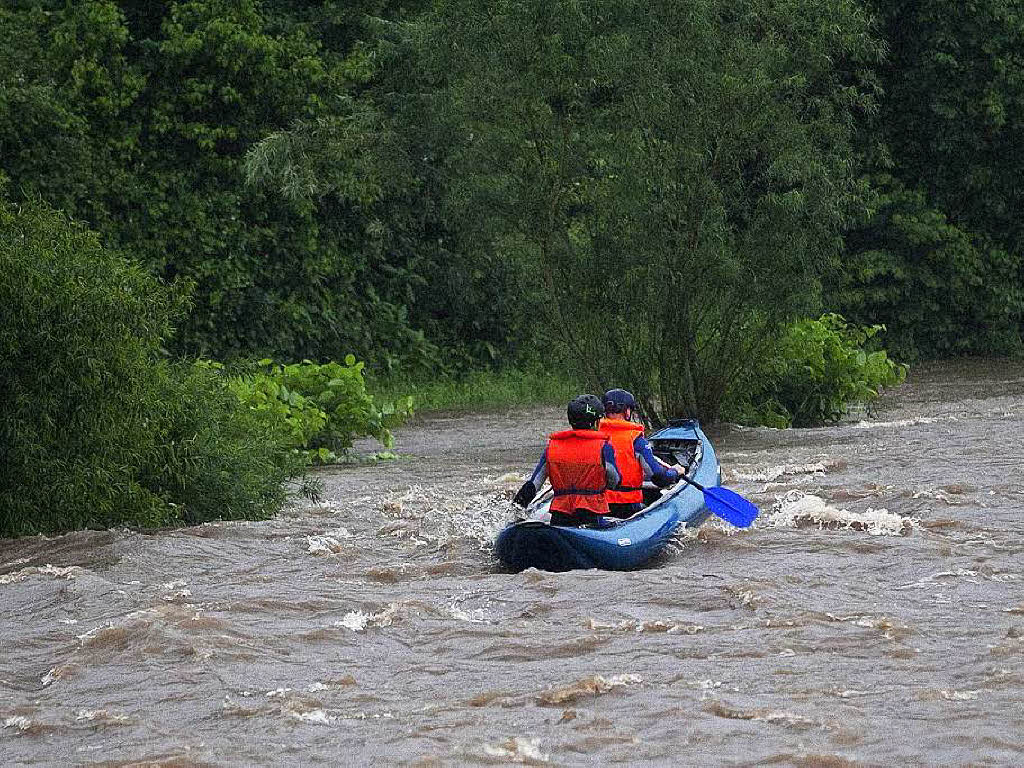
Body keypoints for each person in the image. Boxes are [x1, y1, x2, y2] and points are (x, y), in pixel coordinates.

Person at [513, 394, 621, 526]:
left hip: (559, 515)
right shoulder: (604, 447)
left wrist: (516, 509)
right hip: (592, 515)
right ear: (594, 422)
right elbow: (615, 480)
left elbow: (533, 485)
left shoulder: (552, 447)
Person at [599, 388, 681, 518]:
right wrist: (676, 472)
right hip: (626, 506)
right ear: (627, 411)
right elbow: (659, 478)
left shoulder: (594, 435)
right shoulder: (636, 440)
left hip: (598, 506)